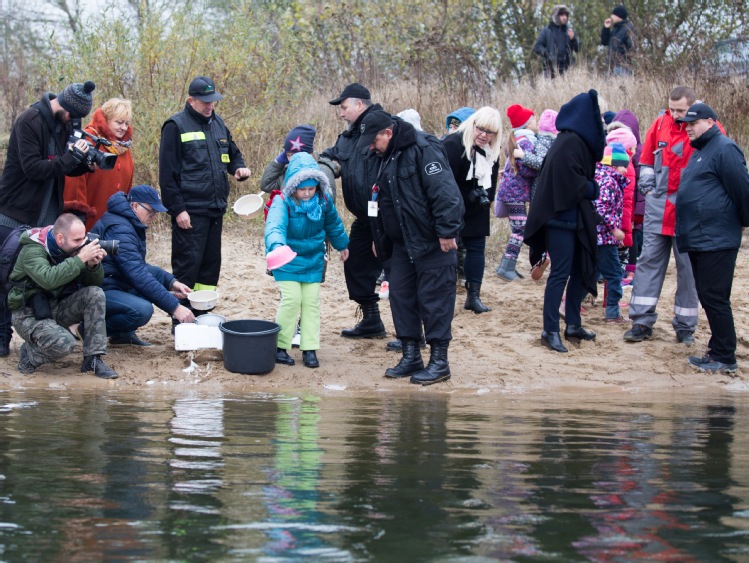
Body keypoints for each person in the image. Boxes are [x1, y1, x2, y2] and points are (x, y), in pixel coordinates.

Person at [358, 110, 464, 385]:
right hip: (399, 243)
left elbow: (445, 192)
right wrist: (377, 237)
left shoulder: (424, 148)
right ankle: (411, 354)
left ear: (388, 133)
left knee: (435, 298)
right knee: (401, 297)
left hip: (431, 241)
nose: (371, 146)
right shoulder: (383, 156)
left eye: (373, 141)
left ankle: (439, 362)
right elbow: (380, 201)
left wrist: (447, 231)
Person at [0, 81, 96, 357]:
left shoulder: (66, 121)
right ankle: (2, 338)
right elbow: (33, 169)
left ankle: (42, 335)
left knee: (44, 273)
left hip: (47, 211)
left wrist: (83, 163)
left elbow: (63, 167)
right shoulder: (29, 121)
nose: (74, 122)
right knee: (5, 277)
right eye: (72, 115)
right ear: (63, 106)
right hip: (15, 210)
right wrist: (69, 158)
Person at [624, 86, 717, 345]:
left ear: (693, 105)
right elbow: (645, 157)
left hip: (690, 212)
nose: (675, 115)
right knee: (648, 264)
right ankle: (641, 321)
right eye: (672, 109)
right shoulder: (660, 123)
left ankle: (685, 326)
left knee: (688, 269)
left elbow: (720, 158)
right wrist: (647, 181)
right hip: (658, 208)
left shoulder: (707, 127)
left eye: (681, 110)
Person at [159, 76, 251, 320]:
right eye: (204, 102)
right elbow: (167, 176)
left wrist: (239, 168)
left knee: (210, 270)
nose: (210, 106)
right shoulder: (175, 126)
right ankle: (181, 321)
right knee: (187, 268)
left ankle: (203, 316)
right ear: (191, 100)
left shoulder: (218, 123)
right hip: (190, 212)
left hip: (215, 210)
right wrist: (177, 210)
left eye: (213, 101)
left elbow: (233, 154)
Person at [524, 90, 606, 354]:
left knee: (582, 270)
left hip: (575, 218)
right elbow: (571, 183)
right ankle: (550, 331)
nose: (600, 123)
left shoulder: (575, 141)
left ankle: (573, 324)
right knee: (560, 273)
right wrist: (592, 189)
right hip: (560, 220)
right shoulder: (569, 142)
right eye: (598, 117)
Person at [674, 103, 749, 373]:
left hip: (717, 238)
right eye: (686, 124)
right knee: (709, 296)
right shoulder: (700, 151)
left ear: (710, 121)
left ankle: (725, 357)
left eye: (694, 123)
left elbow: (742, 190)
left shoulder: (724, 149)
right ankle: (716, 349)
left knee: (715, 297)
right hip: (699, 237)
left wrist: (739, 224)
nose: (689, 128)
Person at [264, 152, 349, 368]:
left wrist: (342, 245)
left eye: (312, 189)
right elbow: (274, 227)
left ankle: (309, 348)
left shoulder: (323, 200)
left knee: (311, 303)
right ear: (294, 186)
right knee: (292, 300)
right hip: (287, 259)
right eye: (303, 189)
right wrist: (277, 247)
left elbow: (334, 224)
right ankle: (280, 347)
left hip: (313, 259)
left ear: (318, 186)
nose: (307, 193)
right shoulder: (281, 201)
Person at [7, 213, 117, 378]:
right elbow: (49, 279)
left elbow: (93, 283)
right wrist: (80, 259)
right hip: (27, 314)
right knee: (65, 343)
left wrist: (92, 266)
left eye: (84, 238)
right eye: (77, 240)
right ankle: (29, 355)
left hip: (55, 306)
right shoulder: (33, 250)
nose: (83, 244)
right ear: (60, 238)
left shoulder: (70, 249)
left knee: (95, 294)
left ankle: (93, 359)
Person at [320, 83, 387, 340]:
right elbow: (333, 156)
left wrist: (380, 231)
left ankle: (417, 333)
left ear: (360, 105)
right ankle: (371, 320)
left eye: (344, 107)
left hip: (389, 217)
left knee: (399, 272)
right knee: (354, 261)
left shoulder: (383, 129)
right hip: (363, 217)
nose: (341, 113)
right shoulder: (348, 137)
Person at [89, 185, 196, 346]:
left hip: (116, 281)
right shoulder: (121, 229)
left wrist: (171, 283)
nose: (153, 216)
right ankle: (87, 330)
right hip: (100, 286)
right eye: (150, 211)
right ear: (134, 206)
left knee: (150, 280)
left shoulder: (129, 222)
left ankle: (123, 336)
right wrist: (175, 308)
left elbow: (140, 267)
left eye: (155, 212)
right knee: (142, 311)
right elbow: (137, 274)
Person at [442, 107, 502, 313]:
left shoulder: (492, 149)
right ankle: (444, 294)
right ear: (473, 125)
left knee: (477, 249)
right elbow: (442, 181)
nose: (484, 136)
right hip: (451, 204)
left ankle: (473, 296)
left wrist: (490, 199)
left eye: (490, 132)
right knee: (447, 251)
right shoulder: (452, 144)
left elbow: (492, 179)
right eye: (481, 130)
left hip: (477, 204)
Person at [64, 98, 135, 230]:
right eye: (119, 122)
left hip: (116, 224)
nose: (124, 128)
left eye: (126, 123)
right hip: (89, 221)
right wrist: (79, 214)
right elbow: (74, 182)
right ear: (106, 119)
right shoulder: (88, 139)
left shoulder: (124, 147)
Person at [495, 104, 538, 281]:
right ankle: (506, 266)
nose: (537, 122)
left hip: (512, 192)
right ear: (528, 124)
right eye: (535, 119)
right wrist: (537, 172)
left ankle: (507, 265)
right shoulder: (526, 141)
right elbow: (525, 169)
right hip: (515, 193)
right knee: (520, 230)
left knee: (519, 229)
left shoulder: (518, 139)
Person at [594, 142, 629, 323]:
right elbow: (601, 208)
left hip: (597, 237)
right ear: (614, 166)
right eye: (624, 166)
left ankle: (569, 301)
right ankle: (613, 312)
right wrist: (615, 230)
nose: (626, 171)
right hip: (603, 238)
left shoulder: (599, 177)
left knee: (592, 273)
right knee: (615, 274)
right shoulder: (609, 181)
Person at [260, 124, 337, 204]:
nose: (290, 159)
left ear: (307, 154)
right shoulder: (288, 170)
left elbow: (329, 202)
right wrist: (278, 162)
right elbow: (266, 186)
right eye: (287, 155)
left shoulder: (322, 170)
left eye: (293, 155)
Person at [533, 4, 578, 78]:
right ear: (556, 16)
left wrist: (573, 39)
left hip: (567, 70)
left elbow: (577, 49)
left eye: (566, 15)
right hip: (550, 70)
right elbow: (537, 47)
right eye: (562, 15)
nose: (564, 17)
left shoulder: (569, 31)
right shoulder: (547, 30)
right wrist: (547, 54)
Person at [601, 5, 635, 76]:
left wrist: (623, 58)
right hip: (612, 66)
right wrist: (606, 28)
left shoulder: (628, 28)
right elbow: (604, 42)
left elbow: (631, 47)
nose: (611, 16)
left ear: (619, 16)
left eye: (613, 14)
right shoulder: (615, 29)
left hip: (623, 67)